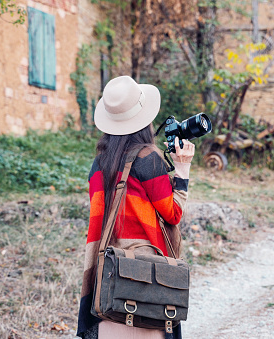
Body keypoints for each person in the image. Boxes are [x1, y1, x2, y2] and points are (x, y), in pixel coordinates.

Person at [77, 75, 194, 339]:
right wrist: (182, 168)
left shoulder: (99, 164)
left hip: (105, 275)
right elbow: (172, 214)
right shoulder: (148, 158)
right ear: (145, 119)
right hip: (145, 275)